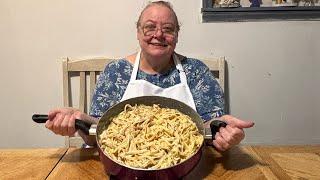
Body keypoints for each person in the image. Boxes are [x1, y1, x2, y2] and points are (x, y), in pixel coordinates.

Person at [45, 1, 254, 151]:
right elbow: (100, 132)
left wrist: (221, 128)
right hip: (123, 168)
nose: (159, 34)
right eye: (150, 27)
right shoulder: (115, 72)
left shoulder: (197, 72)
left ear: (177, 35)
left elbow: (208, 126)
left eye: (168, 29)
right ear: (137, 32)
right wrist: (80, 119)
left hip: (185, 167)